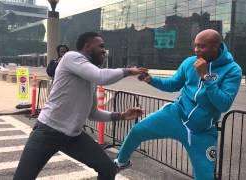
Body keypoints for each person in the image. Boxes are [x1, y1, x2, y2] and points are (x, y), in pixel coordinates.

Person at [14, 32, 148, 180]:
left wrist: (121, 115)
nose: (104, 50)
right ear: (87, 45)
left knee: (108, 169)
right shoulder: (71, 57)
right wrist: (129, 71)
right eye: (101, 46)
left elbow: (92, 113)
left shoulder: (90, 78)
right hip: (48, 131)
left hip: (72, 136)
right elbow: (101, 76)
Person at [114, 29, 242, 180]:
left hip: (201, 131)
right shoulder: (189, 62)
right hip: (176, 115)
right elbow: (173, 84)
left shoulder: (233, 70)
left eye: (202, 46)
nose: (196, 50)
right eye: (195, 45)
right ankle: (120, 162)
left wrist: (205, 77)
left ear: (216, 46)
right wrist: (151, 80)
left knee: (205, 176)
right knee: (137, 131)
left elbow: (224, 104)